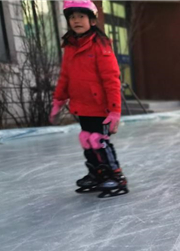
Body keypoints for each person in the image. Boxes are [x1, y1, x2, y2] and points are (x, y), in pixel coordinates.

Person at [49, 0, 128, 198]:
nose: (76, 20)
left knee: (99, 140)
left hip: (100, 107)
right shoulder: (70, 46)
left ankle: (116, 176)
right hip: (81, 106)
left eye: (81, 16)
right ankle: (97, 173)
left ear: (92, 21)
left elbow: (111, 79)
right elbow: (65, 77)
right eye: (72, 17)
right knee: (86, 140)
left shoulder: (100, 45)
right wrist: (58, 101)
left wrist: (115, 111)